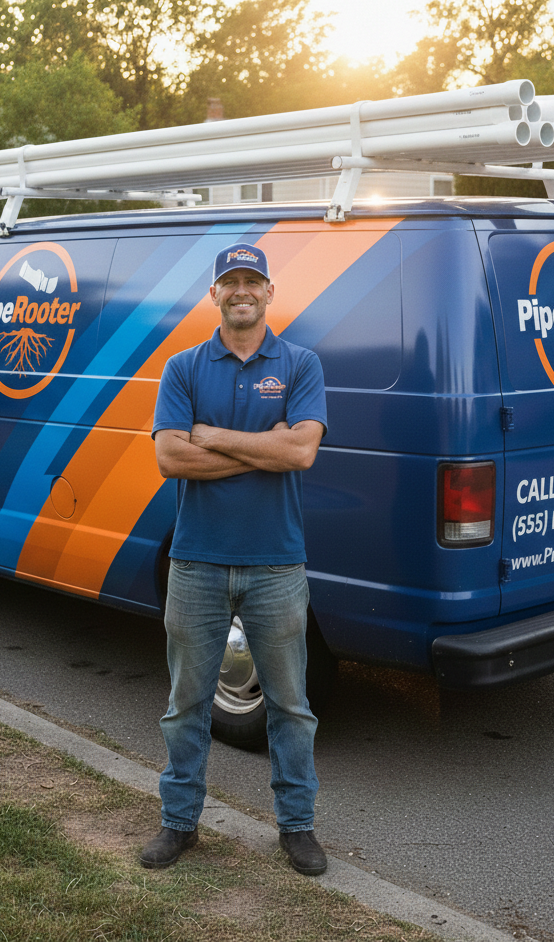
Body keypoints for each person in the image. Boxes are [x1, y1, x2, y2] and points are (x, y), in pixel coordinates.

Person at [140, 243, 329, 876]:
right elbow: (170, 459)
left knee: (290, 707)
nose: (241, 290)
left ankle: (297, 827)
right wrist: (264, 446)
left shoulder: (301, 364)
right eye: (230, 282)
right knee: (185, 703)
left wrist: (215, 436)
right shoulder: (184, 369)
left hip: (278, 565)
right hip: (196, 562)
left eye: (253, 280)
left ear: (270, 292)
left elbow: (301, 453)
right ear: (214, 295)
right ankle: (179, 823)